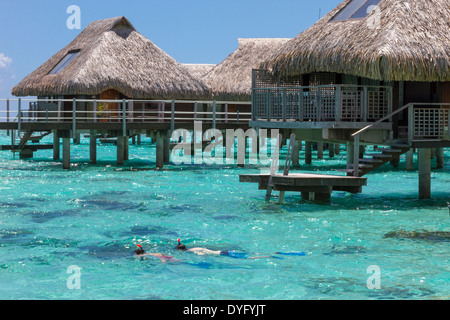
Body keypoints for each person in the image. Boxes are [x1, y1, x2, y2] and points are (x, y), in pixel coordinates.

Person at [175, 239, 306, 259]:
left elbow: (204, 255)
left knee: (250, 258)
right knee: (252, 254)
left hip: (224, 255)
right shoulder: (195, 247)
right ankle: (275, 253)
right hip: (224, 252)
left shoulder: (193, 252)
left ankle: (271, 255)